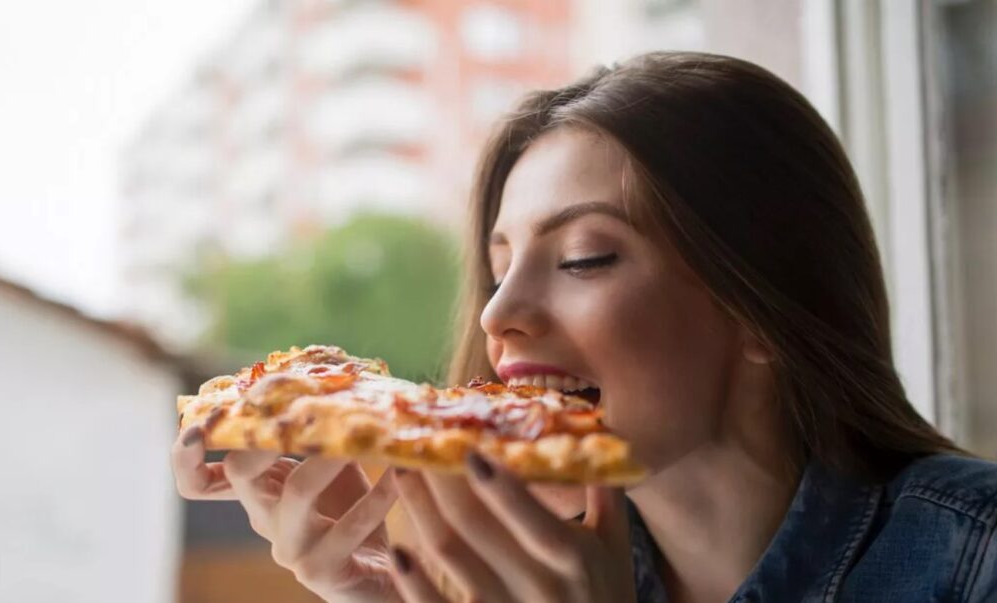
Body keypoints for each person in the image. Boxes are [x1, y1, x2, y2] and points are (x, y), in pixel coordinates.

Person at [171, 52, 997, 602]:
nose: (497, 316)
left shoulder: (976, 556)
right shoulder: (532, 581)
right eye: (499, 269)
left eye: (585, 258)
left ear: (762, 306)